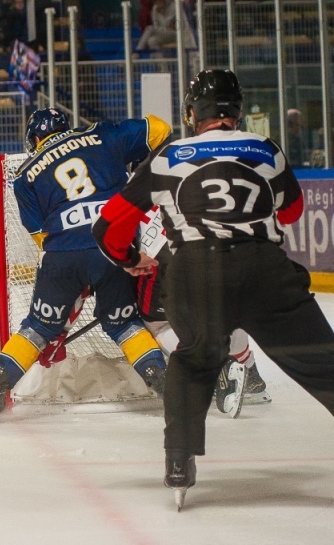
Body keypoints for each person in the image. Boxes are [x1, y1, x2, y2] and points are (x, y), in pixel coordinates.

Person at [91, 69, 334, 508]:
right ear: (237, 111)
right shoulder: (265, 148)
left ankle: (179, 461)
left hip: (196, 271)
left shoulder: (168, 156)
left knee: (194, 361)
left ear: (192, 114)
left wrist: (131, 260)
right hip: (265, 269)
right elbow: (294, 211)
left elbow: (108, 226)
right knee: (323, 361)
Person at [0, 107, 173, 425]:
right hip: (114, 245)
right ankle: (165, 385)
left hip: (62, 257)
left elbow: (41, 236)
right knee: (124, 326)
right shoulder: (102, 134)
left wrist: (72, 277)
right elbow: (160, 128)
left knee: (38, 327)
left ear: (35, 138)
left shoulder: (25, 175)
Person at [135, 209, 271, 418]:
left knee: (159, 325)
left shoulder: (131, 191)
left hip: (163, 261)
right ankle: (249, 370)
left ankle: (219, 367)